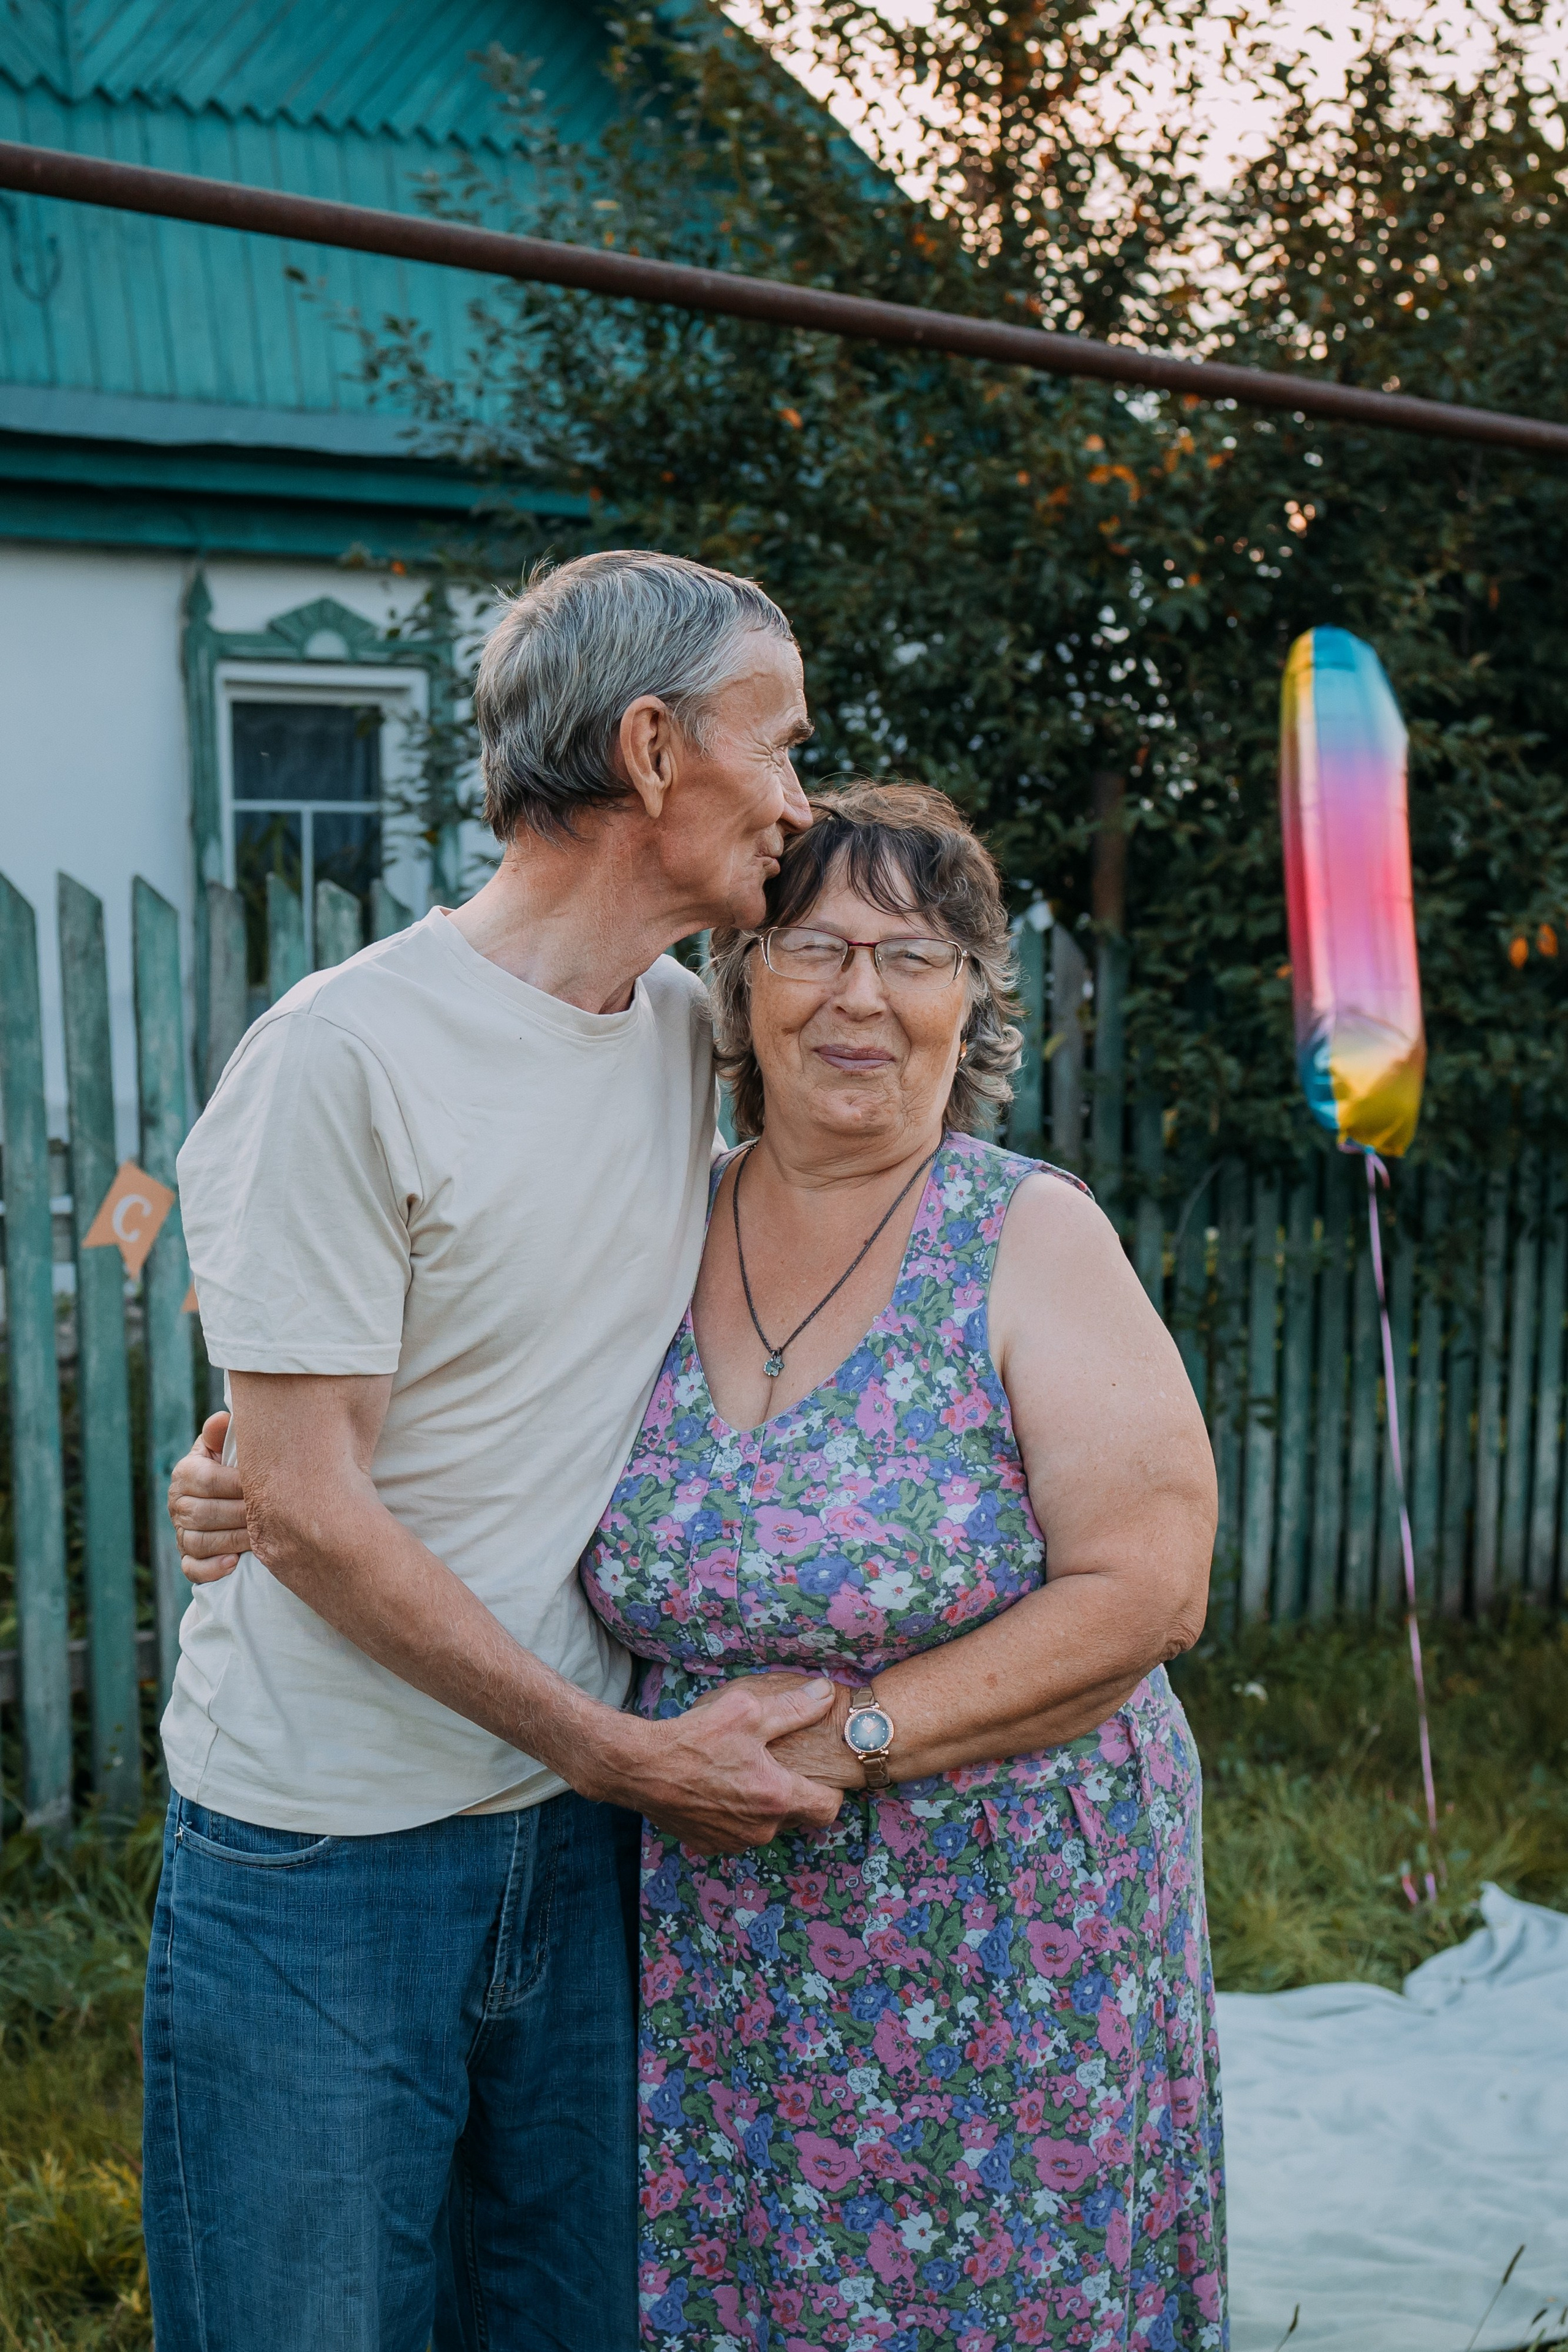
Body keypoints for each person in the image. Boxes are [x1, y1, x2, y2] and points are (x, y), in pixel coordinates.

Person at [152, 550, 848, 2352]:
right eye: (778, 747)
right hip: (326, 1862)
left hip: (572, 1844)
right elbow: (305, 1502)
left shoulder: (694, 1038)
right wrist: (626, 1753)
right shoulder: (344, 1058)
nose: (802, 798)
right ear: (648, 751)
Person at [578, 780, 1226, 2350]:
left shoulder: (1024, 1236)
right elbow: (449, 1394)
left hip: (1009, 1927)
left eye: (914, 956)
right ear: (742, 985)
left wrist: (854, 1740)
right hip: (709, 1935)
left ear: (969, 1006)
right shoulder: (646, 1219)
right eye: (814, 946)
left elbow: (1147, 1588)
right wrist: (245, 1455)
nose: (860, 993)